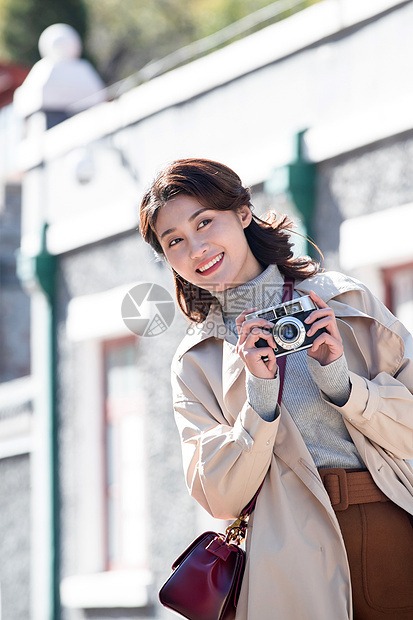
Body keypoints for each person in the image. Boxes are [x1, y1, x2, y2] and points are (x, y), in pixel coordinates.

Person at [139, 158, 413, 620]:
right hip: (285, 556)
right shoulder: (196, 361)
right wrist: (258, 402)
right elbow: (220, 496)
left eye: (205, 221)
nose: (197, 247)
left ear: (243, 212)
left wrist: (344, 386)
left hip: (385, 528)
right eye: (175, 241)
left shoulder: (343, 301)